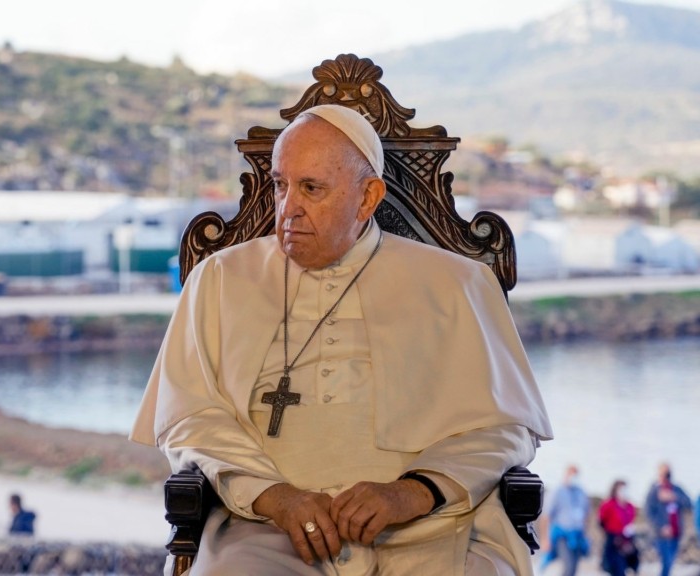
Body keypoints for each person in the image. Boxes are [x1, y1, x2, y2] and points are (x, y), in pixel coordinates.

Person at [131, 104, 552, 575]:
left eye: (311, 188)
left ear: (368, 197)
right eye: (281, 185)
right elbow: (187, 417)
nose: (288, 208)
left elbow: (505, 427)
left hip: (431, 529)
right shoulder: (220, 279)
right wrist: (276, 498)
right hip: (266, 532)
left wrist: (414, 492)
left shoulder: (458, 284)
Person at [540, 465, 590, 575]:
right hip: (562, 535)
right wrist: (545, 539)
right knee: (568, 565)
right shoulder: (557, 492)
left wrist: (585, 534)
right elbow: (546, 516)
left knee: (574, 567)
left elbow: (586, 514)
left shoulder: (581, 492)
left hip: (577, 536)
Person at [644, 462, 692, 576]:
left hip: (676, 533)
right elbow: (648, 513)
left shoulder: (677, 489)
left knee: (670, 562)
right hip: (661, 535)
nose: (666, 476)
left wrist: (674, 497)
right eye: (664, 473)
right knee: (666, 562)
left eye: (668, 473)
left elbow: (689, 504)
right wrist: (660, 528)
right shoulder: (654, 491)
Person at [598, 479, 637, 576]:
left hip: (626, 541)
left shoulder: (630, 507)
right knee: (616, 568)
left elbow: (630, 523)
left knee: (625, 566)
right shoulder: (608, 505)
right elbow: (601, 521)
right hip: (612, 540)